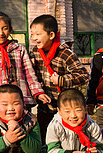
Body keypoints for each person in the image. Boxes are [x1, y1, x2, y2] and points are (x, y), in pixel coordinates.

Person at [30, 14, 89, 144]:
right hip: (45, 106)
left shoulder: (65, 53)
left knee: (66, 139)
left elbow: (84, 75)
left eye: (38, 34)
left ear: (51, 35)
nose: (34, 38)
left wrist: (62, 80)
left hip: (65, 108)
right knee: (45, 138)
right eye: (32, 34)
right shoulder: (35, 52)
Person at [0, 12, 47, 110]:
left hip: (20, 98)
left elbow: (29, 73)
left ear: (10, 29)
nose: (1, 33)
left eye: (5, 28)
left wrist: (38, 92)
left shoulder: (19, 49)